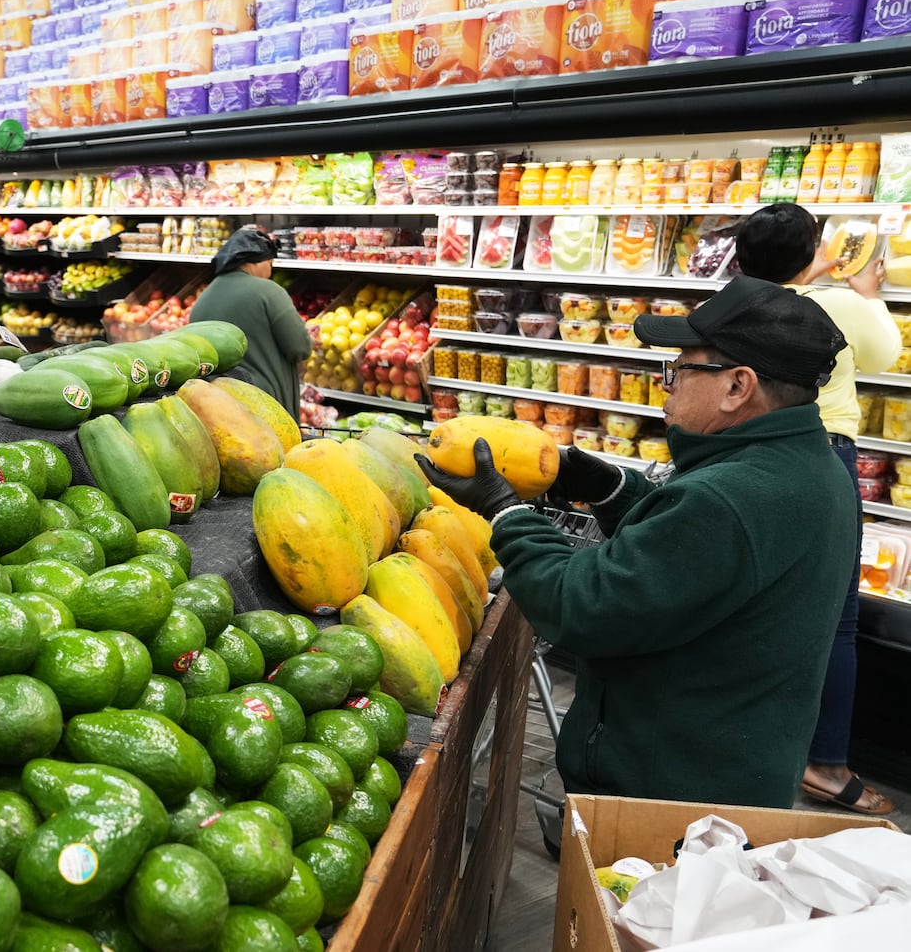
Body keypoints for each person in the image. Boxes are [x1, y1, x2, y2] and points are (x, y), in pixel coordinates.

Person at [417, 276, 858, 809]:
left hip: (668, 796)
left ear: (737, 386)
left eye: (680, 368)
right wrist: (612, 489)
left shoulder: (729, 498)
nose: (664, 384)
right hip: (734, 773)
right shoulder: (814, 468)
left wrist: (505, 511)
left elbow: (580, 605)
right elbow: (699, 566)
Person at [735, 203, 900, 816]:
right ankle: (827, 764)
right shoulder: (837, 304)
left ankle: (756, 742)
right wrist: (864, 291)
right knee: (836, 617)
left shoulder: (732, 303)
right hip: (821, 452)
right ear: (814, 255)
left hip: (746, 457)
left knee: (756, 602)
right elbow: (884, 355)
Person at [189, 227, 312, 422]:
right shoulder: (268, 291)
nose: (271, 271)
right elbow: (300, 347)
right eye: (270, 263)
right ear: (255, 261)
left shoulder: (202, 300)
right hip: (267, 408)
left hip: (218, 410)